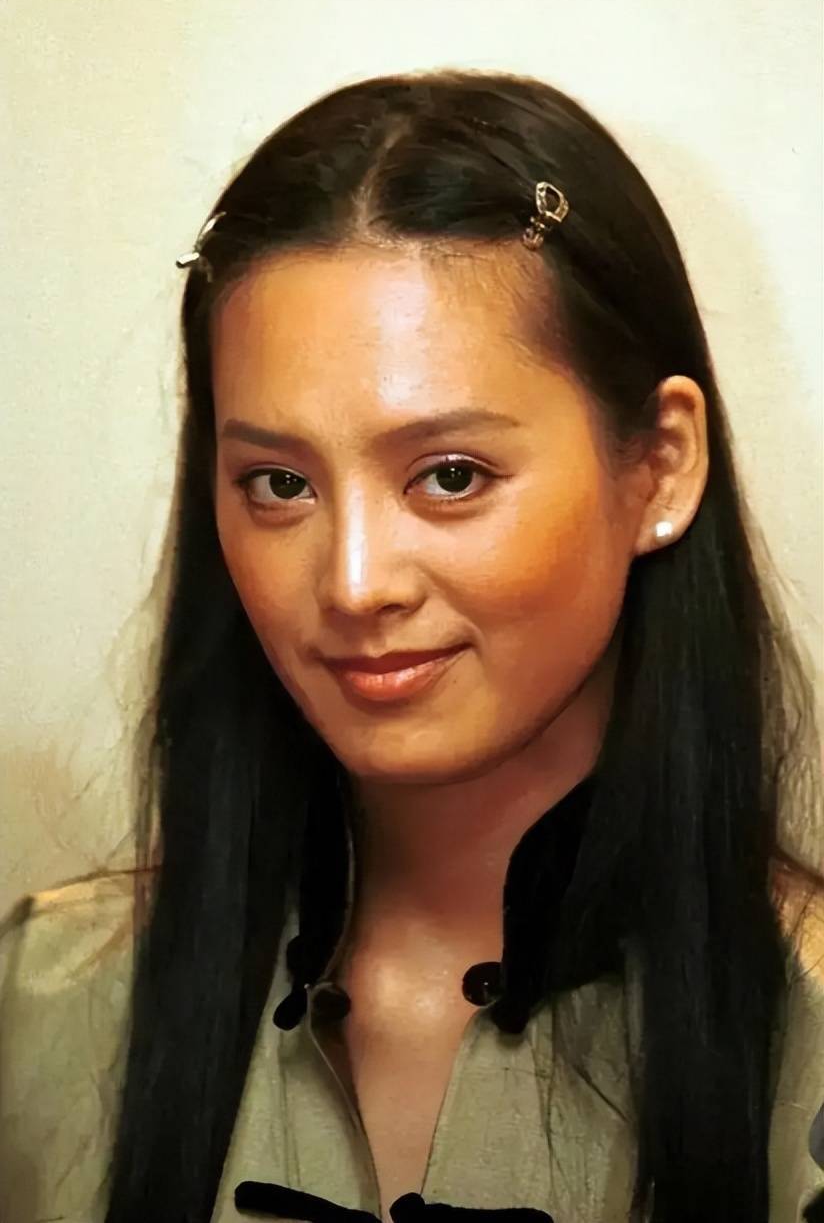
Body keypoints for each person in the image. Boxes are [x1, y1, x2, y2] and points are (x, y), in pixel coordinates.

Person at [1, 67, 822, 1223]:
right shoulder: (50, 1007)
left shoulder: (805, 1037)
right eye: (278, 484)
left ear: (657, 466)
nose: (350, 584)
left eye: (448, 476)